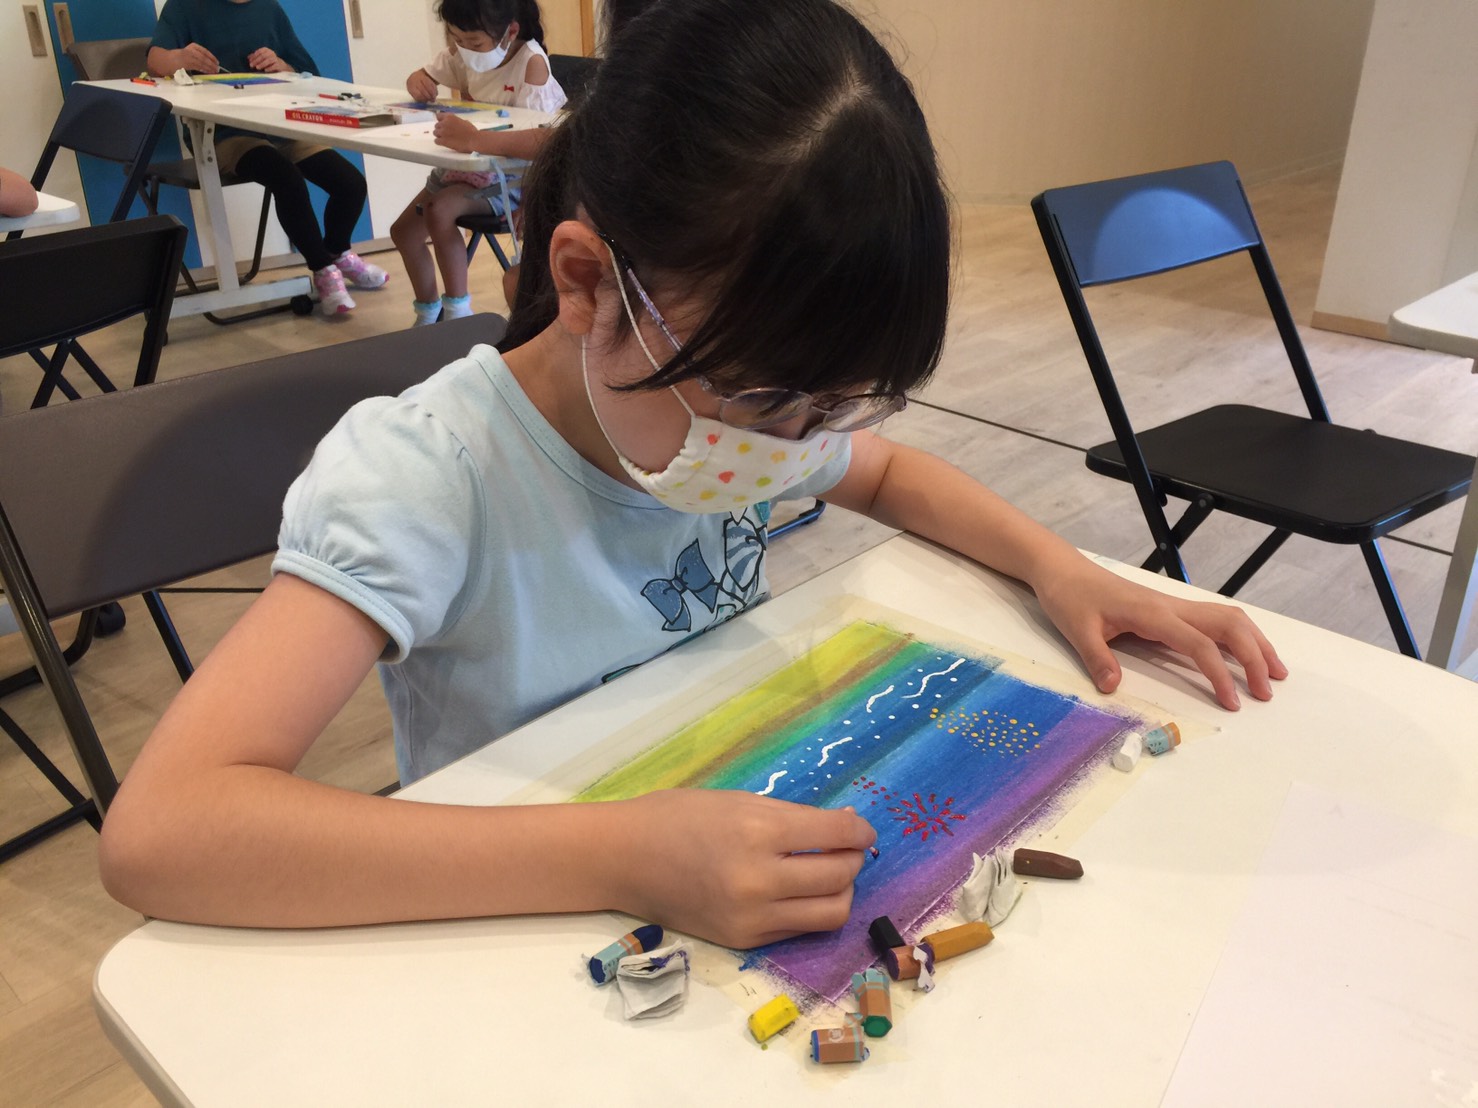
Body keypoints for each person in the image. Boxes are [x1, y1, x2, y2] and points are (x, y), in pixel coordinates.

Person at [100, 0, 1285, 950]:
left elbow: (885, 473)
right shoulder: (427, 477)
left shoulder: (729, 409)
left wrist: (1059, 568)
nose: (793, 444)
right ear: (584, 283)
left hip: (710, 854)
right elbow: (165, 829)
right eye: (768, 402)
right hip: (520, 923)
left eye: (832, 406)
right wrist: (619, 854)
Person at [147, 0, 388, 316]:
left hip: (278, 125)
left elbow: (308, 73)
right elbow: (155, 61)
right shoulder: (185, 7)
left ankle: (336, 252)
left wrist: (282, 66)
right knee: (286, 178)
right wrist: (180, 58)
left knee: (351, 184)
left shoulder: (269, 9)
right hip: (223, 134)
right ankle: (322, 270)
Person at [390, 0, 565, 327]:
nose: (465, 48)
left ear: (510, 32)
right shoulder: (463, 53)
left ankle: (458, 312)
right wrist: (417, 81)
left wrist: (530, 202)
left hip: (512, 180)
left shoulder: (531, 63)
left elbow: (542, 145)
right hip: (465, 170)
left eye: (474, 42)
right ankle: (427, 312)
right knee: (403, 232)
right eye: (457, 39)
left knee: (438, 210)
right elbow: (426, 75)